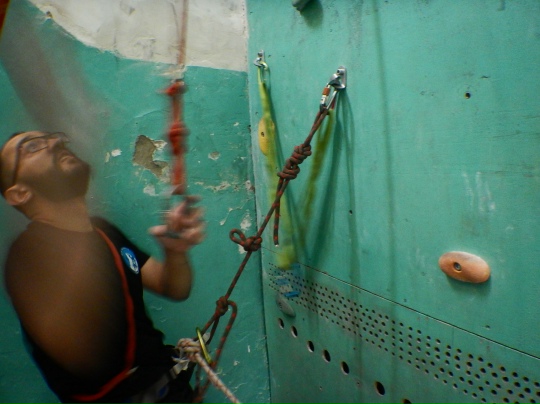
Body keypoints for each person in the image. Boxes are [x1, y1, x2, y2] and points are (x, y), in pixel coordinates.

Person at [0, 130, 205, 404]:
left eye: (55, 137)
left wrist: (175, 251)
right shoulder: (27, 257)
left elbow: (173, 287)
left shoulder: (104, 232)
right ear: (19, 193)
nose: (57, 141)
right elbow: (83, 355)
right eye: (33, 146)